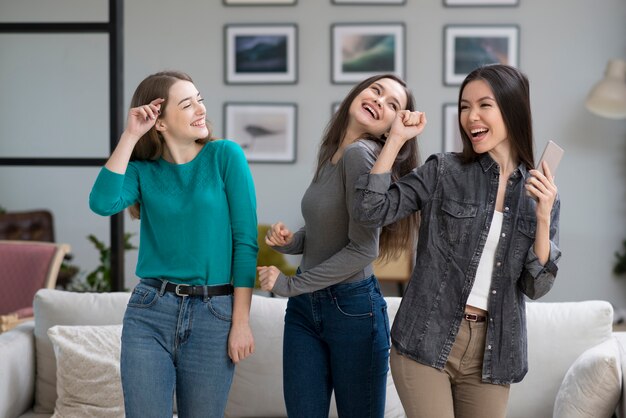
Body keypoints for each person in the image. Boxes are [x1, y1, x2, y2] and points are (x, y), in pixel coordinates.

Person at [353, 64, 561, 418]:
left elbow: (535, 285)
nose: (471, 117)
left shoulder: (542, 193)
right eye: (464, 106)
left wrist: (543, 216)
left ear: (512, 110)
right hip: (426, 337)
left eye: (484, 105)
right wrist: (396, 140)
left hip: (493, 354)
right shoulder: (443, 171)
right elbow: (370, 211)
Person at [89, 71, 258, 418]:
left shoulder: (225, 156)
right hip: (150, 310)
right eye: (187, 104)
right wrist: (130, 134)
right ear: (160, 123)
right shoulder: (141, 171)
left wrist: (240, 322)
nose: (200, 109)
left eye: (199, 99)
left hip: (215, 313)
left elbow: (245, 242)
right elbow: (101, 203)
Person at [257, 74, 425, 418]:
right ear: (357, 94)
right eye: (376, 90)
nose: (379, 100)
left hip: (351, 309)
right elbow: (326, 231)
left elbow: (364, 250)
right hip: (306, 310)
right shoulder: (332, 151)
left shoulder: (361, 155)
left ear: (392, 128)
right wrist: (292, 242)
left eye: (393, 104)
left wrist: (290, 285)